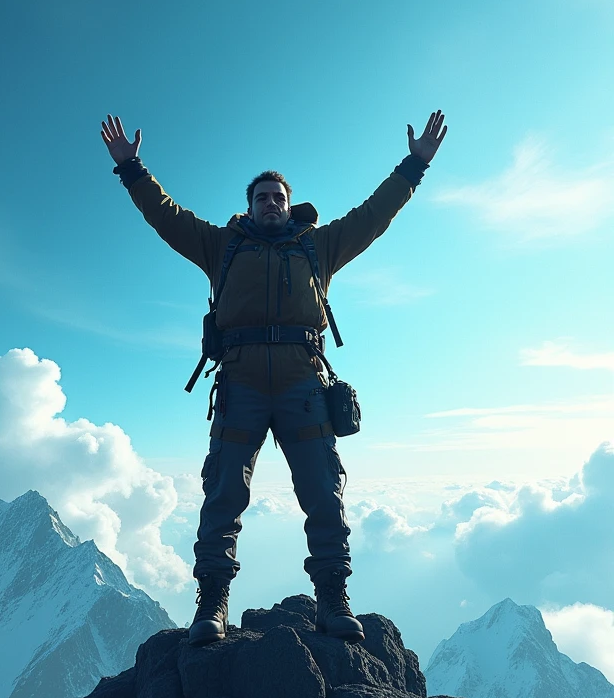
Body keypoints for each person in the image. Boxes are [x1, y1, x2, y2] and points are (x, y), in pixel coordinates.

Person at [101, 111, 447, 647]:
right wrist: (132, 170)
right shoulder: (222, 247)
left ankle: (333, 599)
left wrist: (415, 163)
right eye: (262, 197)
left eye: (277, 197)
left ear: (289, 206)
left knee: (322, 493)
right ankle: (211, 604)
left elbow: (373, 215)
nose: (270, 203)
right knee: (223, 494)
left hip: (303, 386)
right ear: (249, 206)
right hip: (239, 383)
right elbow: (165, 215)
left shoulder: (319, 247)